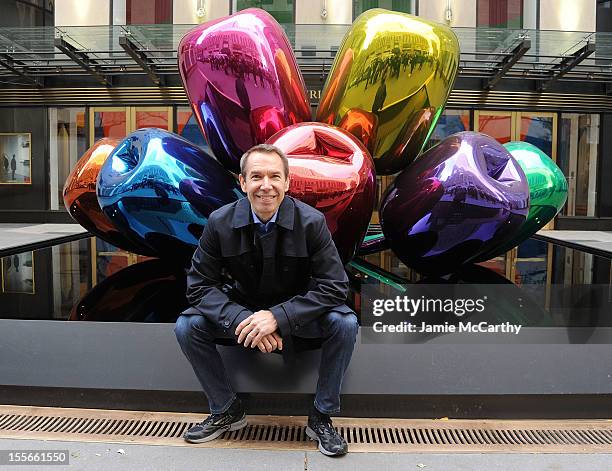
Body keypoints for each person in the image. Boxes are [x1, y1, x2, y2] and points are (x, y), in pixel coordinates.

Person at [174, 144, 358, 456]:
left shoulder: (311, 222)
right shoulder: (220, 222)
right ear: (243, 183)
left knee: (345, 322)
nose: (266, 185)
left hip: (299, 319)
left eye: (275, 176)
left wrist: (278, 318)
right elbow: (199, 285)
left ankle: (322, 416)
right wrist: (244, 320)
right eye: (256, 176)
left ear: (287, 183)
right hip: (243, 319)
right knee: (187, 326)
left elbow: (335, 285)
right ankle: (226, 408)